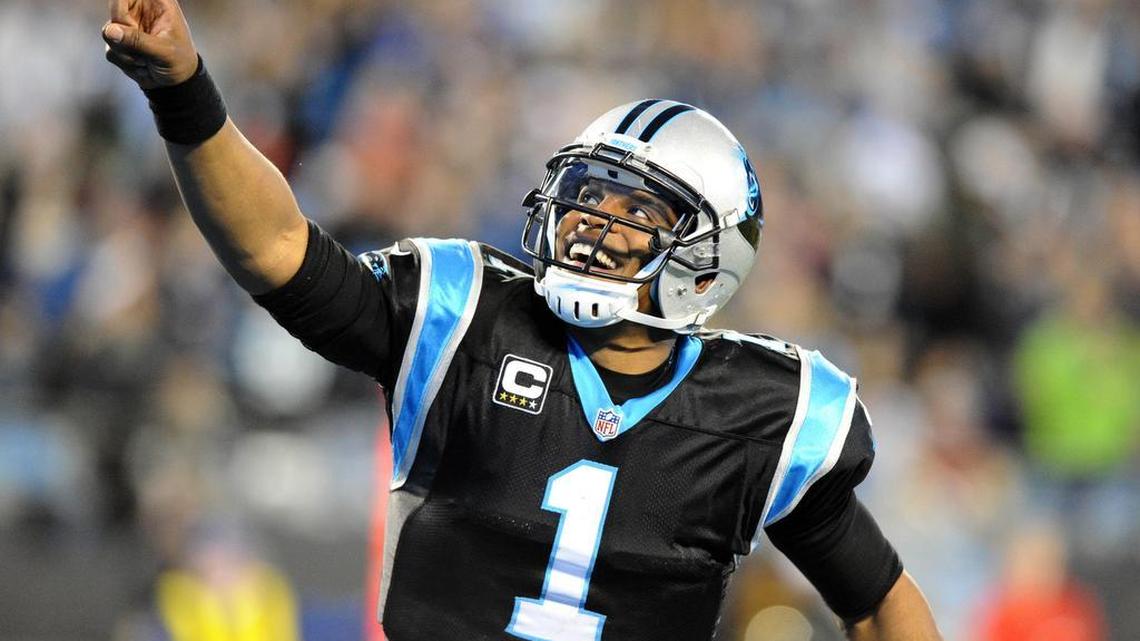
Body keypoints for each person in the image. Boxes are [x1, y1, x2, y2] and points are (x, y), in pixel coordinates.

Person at [102, 1, 943, 639]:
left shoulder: (761, 412)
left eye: (633, 211)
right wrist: (182, 90)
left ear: (708, 255)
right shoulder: (468, 317)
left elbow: (877, 601)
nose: (589, 223)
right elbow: (277, 249)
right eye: (585, 195)